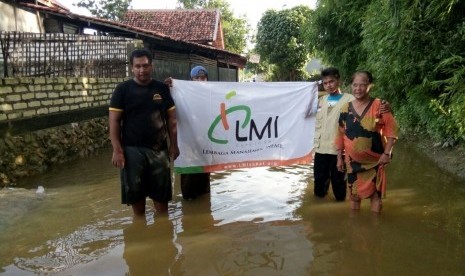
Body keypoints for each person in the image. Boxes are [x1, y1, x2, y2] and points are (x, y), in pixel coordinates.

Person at [109, 48, 179, 217]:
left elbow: (171, 119)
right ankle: (140, 230)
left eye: (145, 66)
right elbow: (114, 121)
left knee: (162, 200)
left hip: (159, 150)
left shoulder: (161, 89)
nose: (142, 70)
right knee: (136, 198)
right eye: (138, 66)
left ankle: (162, 234)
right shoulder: (122, 90)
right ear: (132, 68)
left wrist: (173, 145)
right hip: (132, 151)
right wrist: (117, 150)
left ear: (151, 66)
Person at [335, 70, 398, 213]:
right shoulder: (346, 108)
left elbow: (392, 132)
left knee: (375, 196)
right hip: (351, 162)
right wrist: (339, 157)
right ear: (351, 86)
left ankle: (375, 228)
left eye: (362, 85)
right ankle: (355, 227)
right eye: (355, 85)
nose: (358, 89)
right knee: (354, 196)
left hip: (375, 161)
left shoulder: (380, 106)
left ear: (370, 85)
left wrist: (387, 153)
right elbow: (340, 134)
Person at [165, 66, 211, 200]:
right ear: (191, 79)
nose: (200, 80)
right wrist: (168, 88)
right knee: (189, 175)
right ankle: (189, 203)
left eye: (203, 78)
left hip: (205, 143)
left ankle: (204, 202)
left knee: (204, 178)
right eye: (196, 78)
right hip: (187, 142)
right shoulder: (182, 94)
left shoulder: (211, 95)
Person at [313, 67, 353, 201]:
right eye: (325, 83)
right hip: (320, 149)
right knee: (319, 186)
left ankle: (340, 211)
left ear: (338, 81)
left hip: (339, 151)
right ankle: (319, 214)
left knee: (339, 186)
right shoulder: (321, 100)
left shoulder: (350, 100)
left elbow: (364, 109)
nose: (329, 85)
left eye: (331, 81)